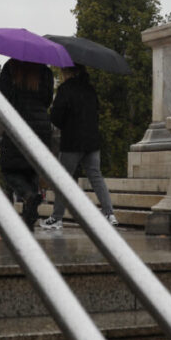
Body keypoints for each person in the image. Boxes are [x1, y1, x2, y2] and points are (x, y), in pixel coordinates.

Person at [40, 64, 116, 230]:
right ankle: (109, 213)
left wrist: (64, 122)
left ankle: (57, 218)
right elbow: (96, 111)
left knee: (63, 179)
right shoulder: (90, 89)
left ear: (68, 71)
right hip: (92, 141)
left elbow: (56, 117)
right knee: (96, 176)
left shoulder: (65, 89)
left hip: (72, 141)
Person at [0, 58, 54, 230]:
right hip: (41, 127)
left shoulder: (11, 67)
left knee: (8, 167)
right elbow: (47, 99)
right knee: (31, 170)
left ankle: (28, 196)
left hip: (17, 123)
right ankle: (29, 218)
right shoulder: (45, 71)